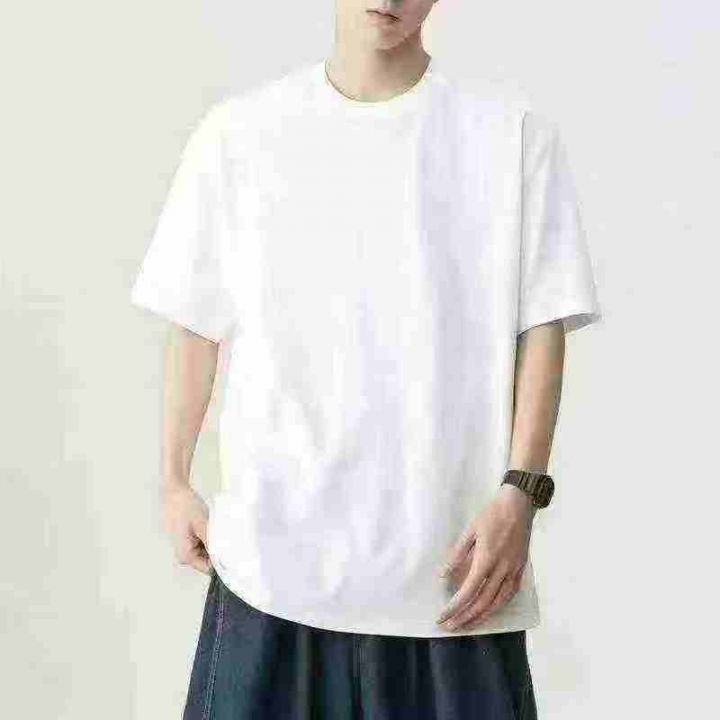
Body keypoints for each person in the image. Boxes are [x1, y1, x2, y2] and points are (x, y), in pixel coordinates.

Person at [130, 1, 602, 717]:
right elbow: (195, 323)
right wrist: (173, 480)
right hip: (273, 565)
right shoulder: (240, 135)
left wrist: (520, 492)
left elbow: (544, 324)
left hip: (451, 578)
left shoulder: (511, 137)